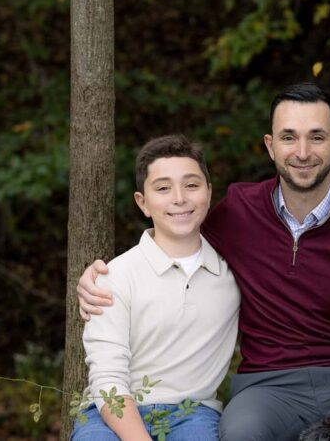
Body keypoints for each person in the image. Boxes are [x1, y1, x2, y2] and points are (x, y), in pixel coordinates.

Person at [77, 83, 330, 441]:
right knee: (240, 434)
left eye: (316, 137)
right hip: (268, 388)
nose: (302, 152)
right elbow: (177, 233)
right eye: (289, 137)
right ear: (270, 145)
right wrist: (101, 276)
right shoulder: (239, 211)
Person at [72, 135, 239, 441]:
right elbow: (108, 379)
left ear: (209, 192)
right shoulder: (114, 276)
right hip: (111, 410)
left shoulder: (233, 273)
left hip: (193, 411)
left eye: (191, 185)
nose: (179, 198)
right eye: (163, 188)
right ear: (143, 202)